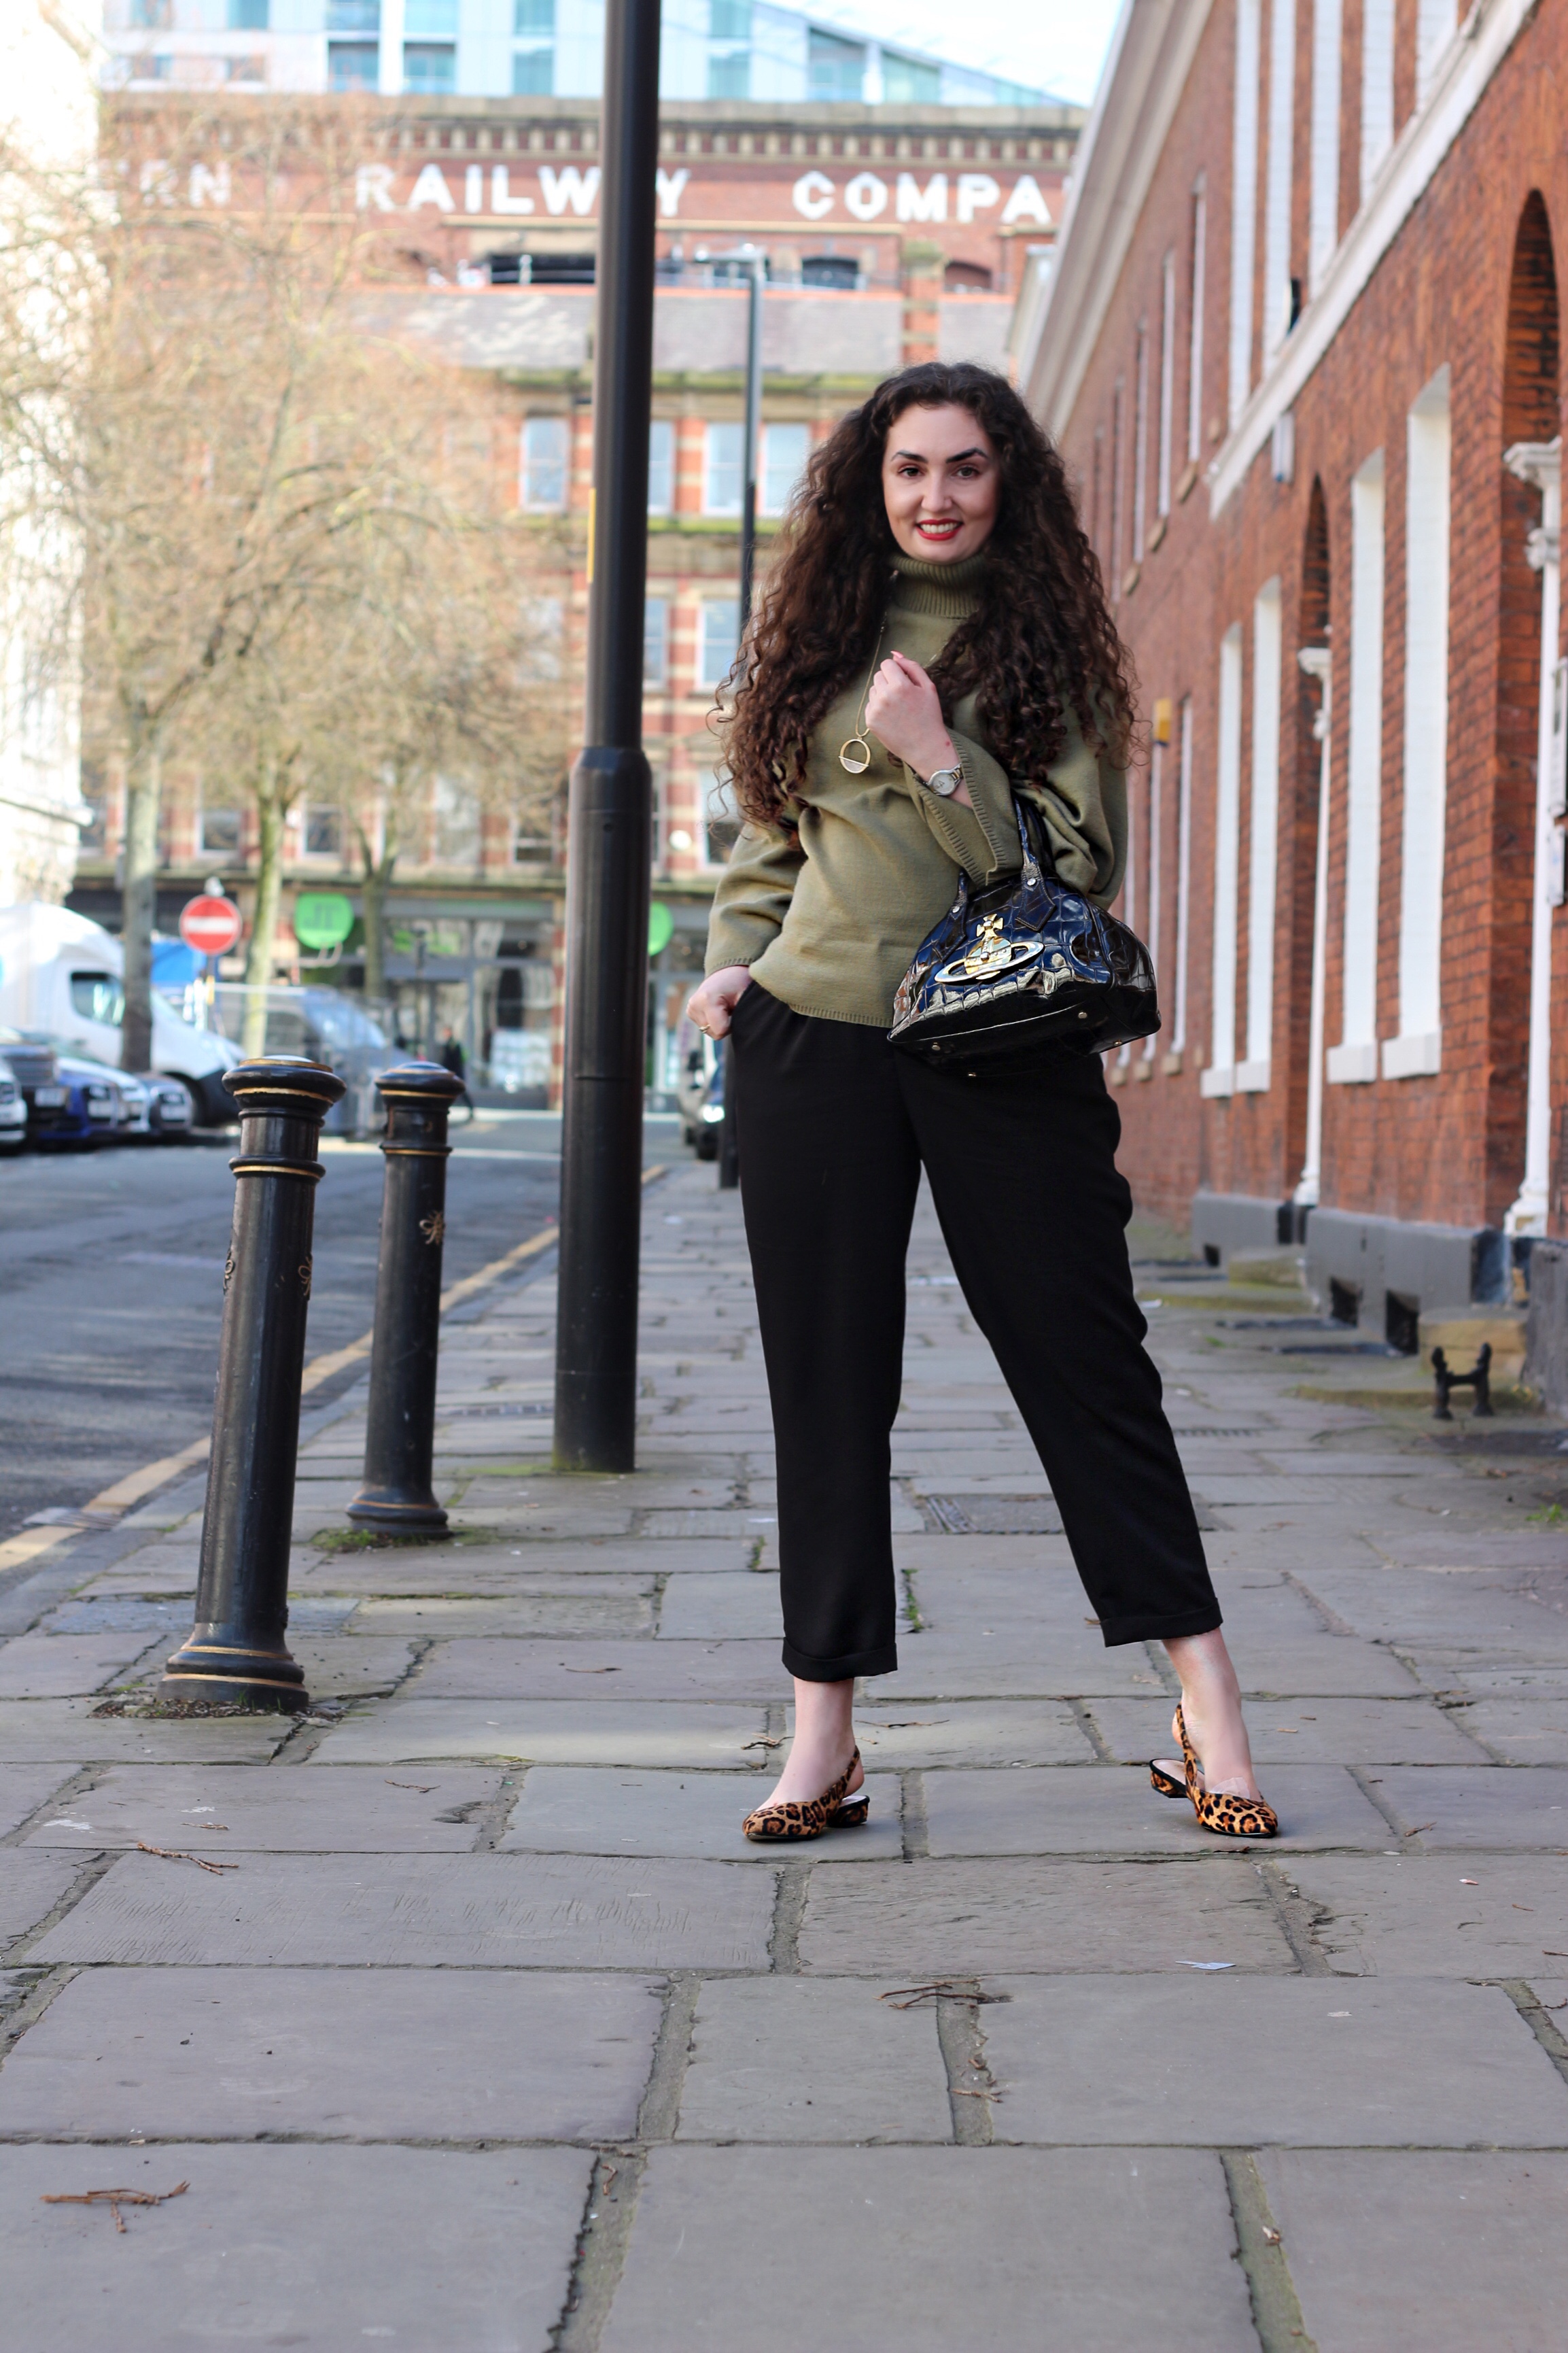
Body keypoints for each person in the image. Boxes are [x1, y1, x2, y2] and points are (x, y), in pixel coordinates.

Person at [684, 361, 1276, 1847]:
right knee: (825, 1389)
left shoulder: (1049, 649)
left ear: (1003, 480)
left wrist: (939, 757)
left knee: (1083, 1365)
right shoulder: (817, 635)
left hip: (1000, 1040)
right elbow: (773, 831)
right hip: (811, 1043)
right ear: (868, 487)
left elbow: (1070, 870)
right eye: (907, 471)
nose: (934, 497)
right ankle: (820, 1734)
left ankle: (1205, 1701)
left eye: (961, 468)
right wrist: (727, 966)